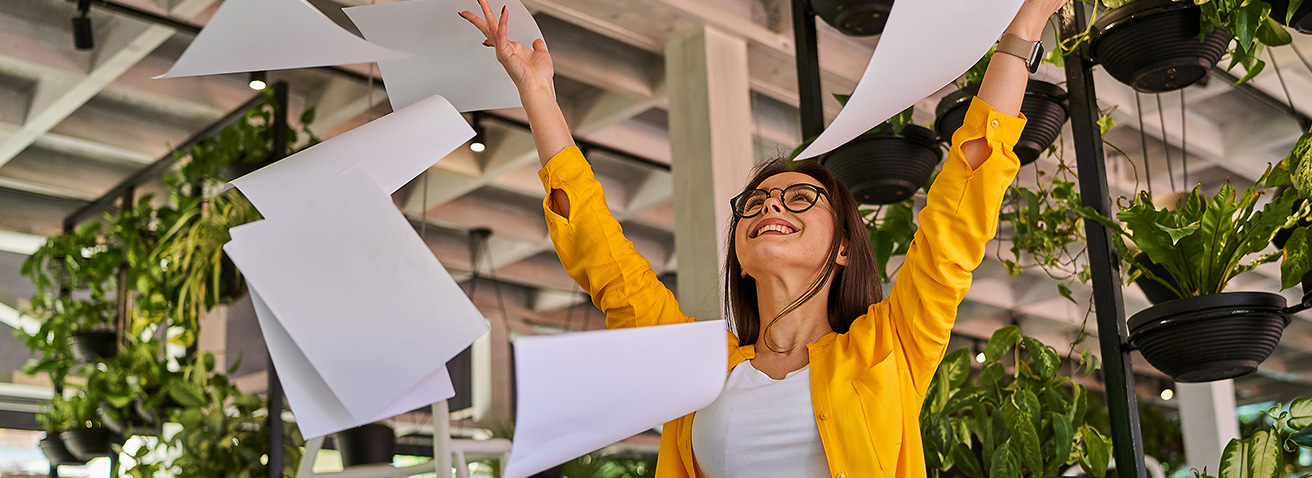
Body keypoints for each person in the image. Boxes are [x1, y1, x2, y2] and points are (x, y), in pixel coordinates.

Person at [462, 1, 1066, 476]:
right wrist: (536, 91)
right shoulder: (700, 368)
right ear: (742, 258)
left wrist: (1029, 18)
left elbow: (970, 186)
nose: (772, 204)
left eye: (801, 198)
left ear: (845, 248)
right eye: (756, 202)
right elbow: (603, 259)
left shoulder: (892, 346)